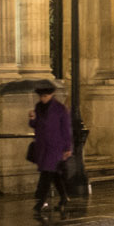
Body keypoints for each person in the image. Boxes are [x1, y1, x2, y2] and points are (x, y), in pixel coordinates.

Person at [27, 83, 74, 212]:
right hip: (42, 146)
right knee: (53, 174)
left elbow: (65, 129)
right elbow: (36, 125)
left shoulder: (60, 109)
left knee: (46, 173)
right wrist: (32, 119)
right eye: (41, 96)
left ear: (51, 95)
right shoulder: (38, 107)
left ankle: (41, 201)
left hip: (55, 147)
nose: (43, 99)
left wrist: (67, 148)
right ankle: (64, 197)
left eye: (45, 96)